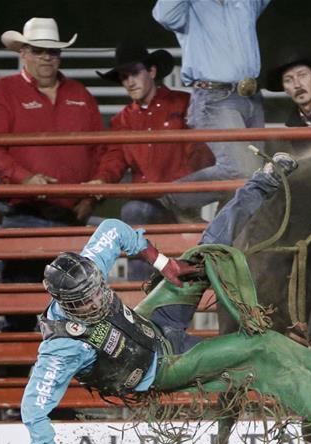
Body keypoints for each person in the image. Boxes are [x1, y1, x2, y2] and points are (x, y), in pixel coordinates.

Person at [23, 153, 311, 444]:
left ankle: (261, 185)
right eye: (88, 301)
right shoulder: (63, 347)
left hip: (150, 325)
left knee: (204, 256)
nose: (99, 299)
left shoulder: (87, 269)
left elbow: (114, 229)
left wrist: (163, 263)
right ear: (66, 303)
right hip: (161, 367)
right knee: (259, 348)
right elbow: (33, 406)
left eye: (99, 290)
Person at [0, 18, 102, 336]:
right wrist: (25, 179)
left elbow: (104, 150)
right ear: (24, 52)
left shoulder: (80, 94)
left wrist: (92, 195)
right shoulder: (2, 91)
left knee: (76, 307)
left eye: (53, 52)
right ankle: (15, 373)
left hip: (71, 215)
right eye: (39, 50)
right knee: (22, 302)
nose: (47, 57)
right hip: (25, 212)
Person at [90, 42, 218, 280]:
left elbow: (201, 151)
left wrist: (187, 187)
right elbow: (115, 158)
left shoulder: (183, 103)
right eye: (124, 76)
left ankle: (146, 294)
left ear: (151, 71)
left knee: (136, 216)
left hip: (182, 198)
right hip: (149, 202)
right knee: (136, 212)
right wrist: (102, 179)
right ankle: (142, 293)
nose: (129, 82)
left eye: (134, 73)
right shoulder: (122, 120)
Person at [152, 0, 271, 181]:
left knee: (255, 177)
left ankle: (174, 199)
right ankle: (169, 200)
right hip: (215, 98)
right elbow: (164, 15)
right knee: (241, 170)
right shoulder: (188, 7)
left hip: (251, 97)